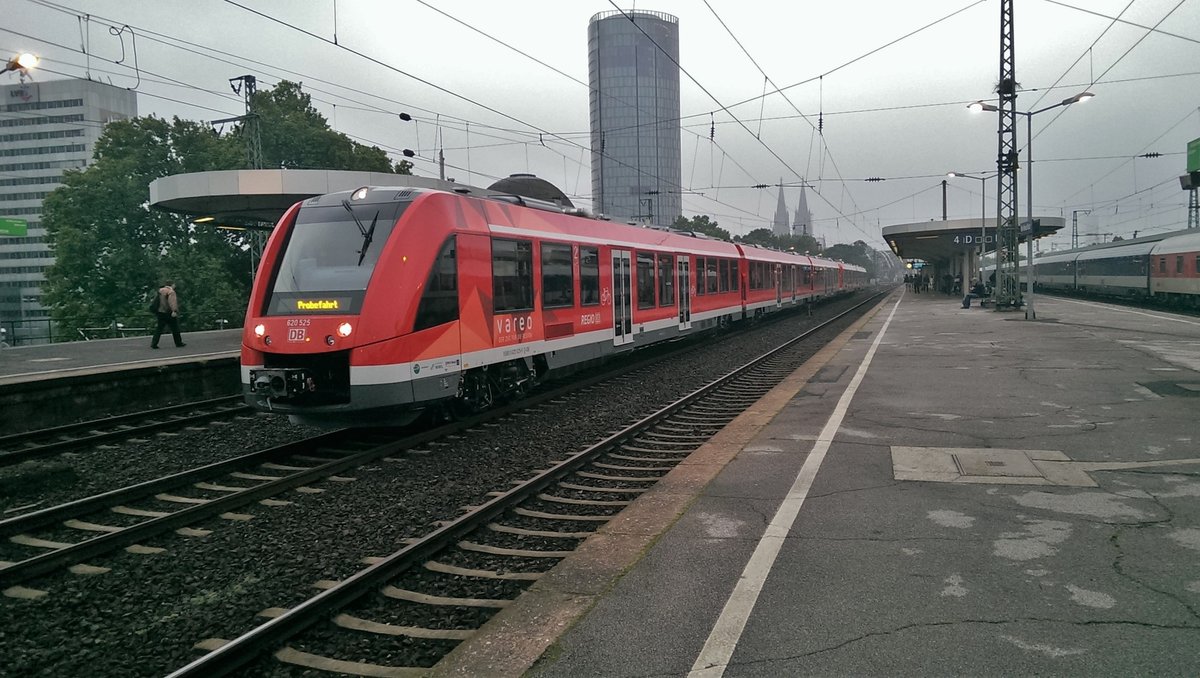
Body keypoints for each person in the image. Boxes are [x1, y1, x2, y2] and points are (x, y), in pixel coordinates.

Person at [150, 281, 186, 349]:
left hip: (160, 312)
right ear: (172, 285)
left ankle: (154, 343)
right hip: (168, 312)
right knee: (175, 328)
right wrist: (174, 310)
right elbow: (172, 302)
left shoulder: (160, 291)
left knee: (159, 328)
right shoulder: (171, 292)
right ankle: (178, 343)